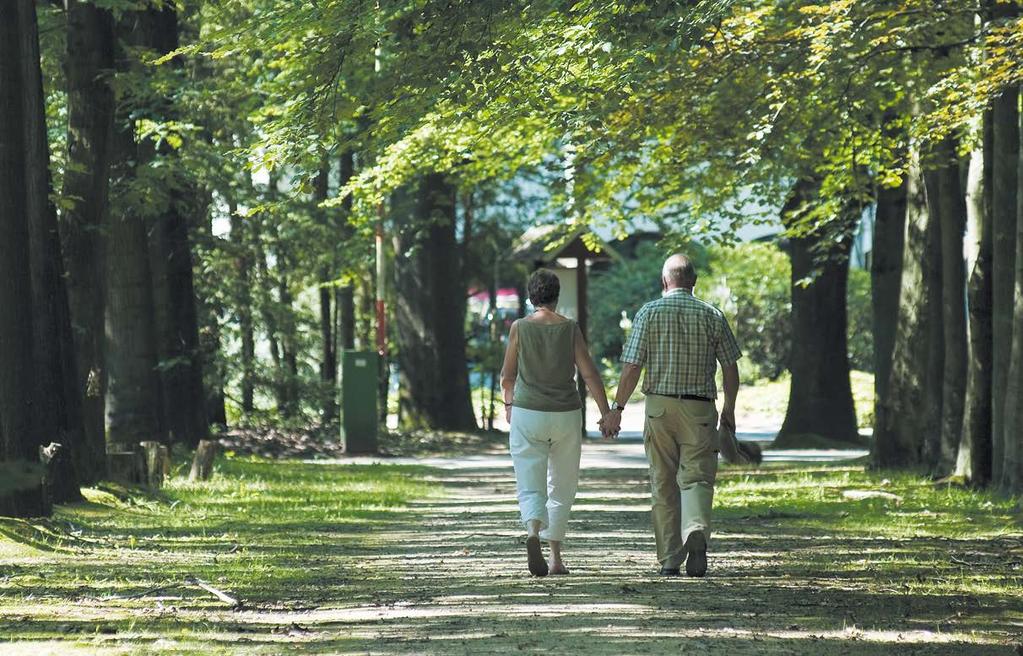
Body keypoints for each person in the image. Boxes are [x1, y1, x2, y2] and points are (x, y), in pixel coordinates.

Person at [602, 253, 741, 577]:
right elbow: (730, 367)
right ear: (693, 282)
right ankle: (695, 529)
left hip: (659, 408)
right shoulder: (712, 314)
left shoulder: (648, 313)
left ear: (665, 281)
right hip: (699, 409)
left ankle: (669, 559)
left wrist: (617, 409)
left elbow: (632, 366)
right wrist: (730, 409)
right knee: (697, 479)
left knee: (663, 483)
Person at [501, 268, 613, 577]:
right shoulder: (570, 328)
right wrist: (605, 413)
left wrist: (509, 405)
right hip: (565, 414)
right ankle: (555, 558)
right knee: (562, 486)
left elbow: (507, 376)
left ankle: (533, 532)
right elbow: (589, 373)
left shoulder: (519, 328)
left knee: (530, 482)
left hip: (527, 413)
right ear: (556, 296)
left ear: (530, 296)